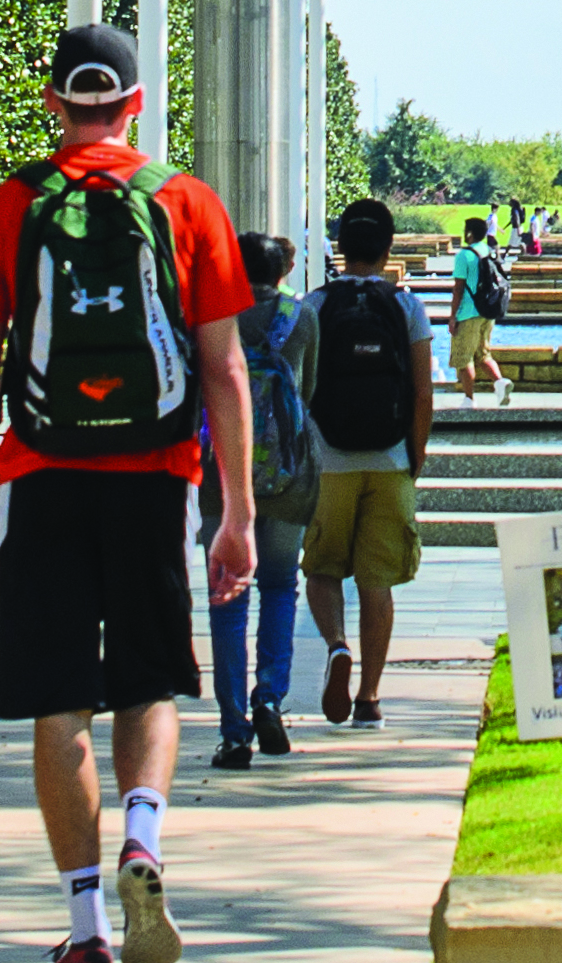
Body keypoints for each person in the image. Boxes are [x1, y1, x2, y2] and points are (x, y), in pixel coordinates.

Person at [0, 22, 255, 963]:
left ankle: (83, 928)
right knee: (149, 680)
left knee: (58, 697)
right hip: (156, 471)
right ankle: (145, 834)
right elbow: (226, 369)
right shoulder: (187, 201)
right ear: (134, 103)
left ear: (53, 102)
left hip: (43, 472)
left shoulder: (7, 207)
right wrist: (235, 511)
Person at [298, 196, 438, 734]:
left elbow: (300, 389)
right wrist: (414, 457)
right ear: (387, 249)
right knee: (377, 581)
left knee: (322, 568)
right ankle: (370, 700)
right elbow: (423, 394)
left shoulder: (313, 306)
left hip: (328, 458)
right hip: (390, 459)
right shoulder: (407, 308)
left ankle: (336, 645)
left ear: (339, 246)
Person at [206, 232, 318, 771]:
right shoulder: (302, 318)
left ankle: (233, 731)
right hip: (288, 476)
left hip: (222, 478)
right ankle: (269, 695)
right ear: (281, 272)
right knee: (279, 587)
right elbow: (308, 391)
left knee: (227, 598)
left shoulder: (213, 317)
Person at [448, 212, 515, 407]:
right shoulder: (489, 251)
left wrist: (453, 317)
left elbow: (458, 288)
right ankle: (500, 383)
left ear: (469, 234)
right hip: (487, 311)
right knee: (483, 353)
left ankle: (469, 400)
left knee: (464, 356)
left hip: (468, 312)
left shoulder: (465, 255)